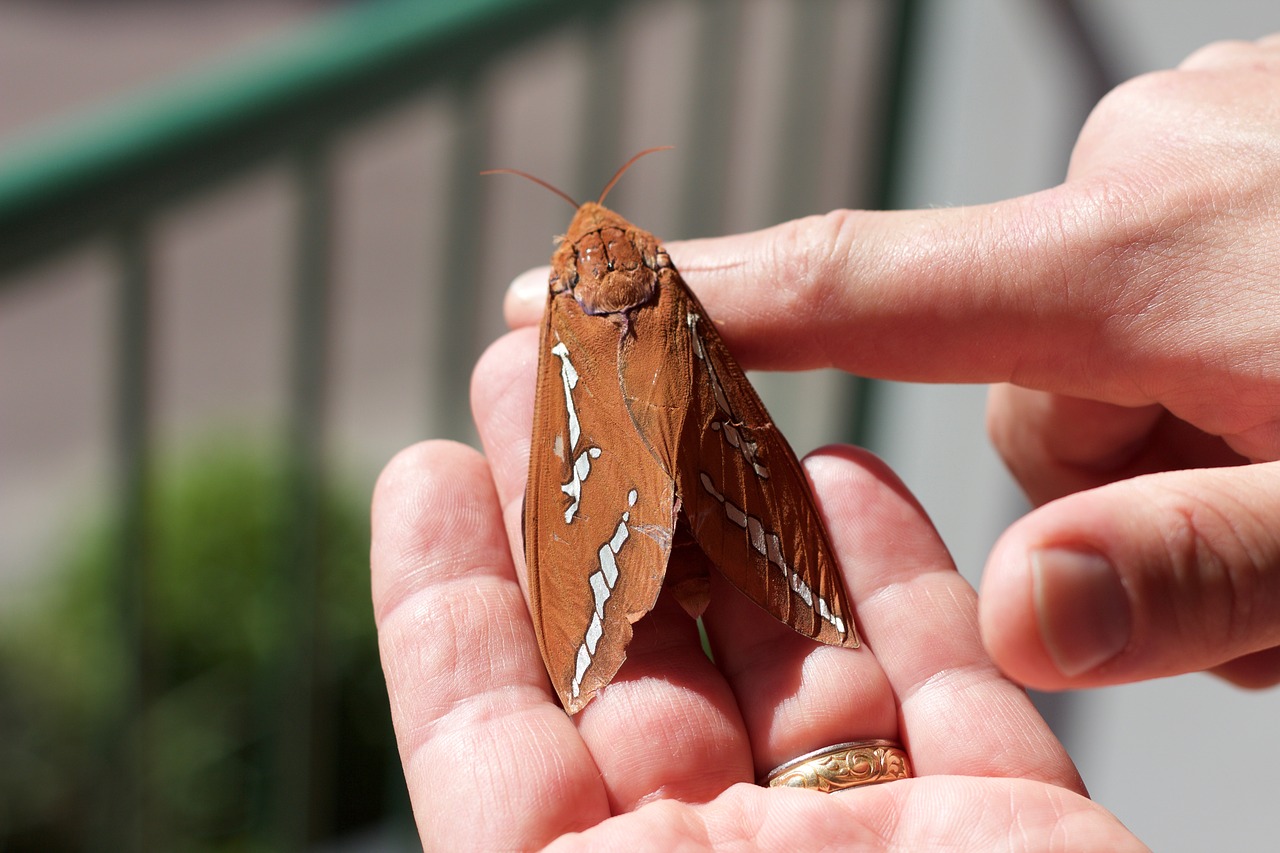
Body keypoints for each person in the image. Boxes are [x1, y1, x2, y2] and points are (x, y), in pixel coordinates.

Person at [370, 36, 1280, 848]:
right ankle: (760, 576)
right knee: (742, 446)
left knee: (572, 473)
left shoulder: (564, 328)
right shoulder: (668, 288)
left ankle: (618, 614)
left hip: (615, 505)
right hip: (727, 492)